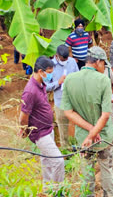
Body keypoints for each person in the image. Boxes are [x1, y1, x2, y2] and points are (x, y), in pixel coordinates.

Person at [61, 46, 113, 197]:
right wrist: (94, 133)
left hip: (83, 139)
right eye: (103, 64)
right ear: (97, 62)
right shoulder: (103, 80)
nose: (104, 67)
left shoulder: (70, 79)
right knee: (107, 171)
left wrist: (89, 131)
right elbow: (105, 115)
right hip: (102, 138)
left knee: (87, 174)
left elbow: (68, 112)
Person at [19, 56, 65, 187]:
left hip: (47, 129)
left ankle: (47, 188)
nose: (50, 76)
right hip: (39, 133)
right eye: (49, 73)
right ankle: (57, 191)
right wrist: (25, 130)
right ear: (40, 71)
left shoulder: (41, 84)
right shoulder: (30, 91)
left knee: (46, 160)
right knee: (58, 161)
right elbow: (23, 116)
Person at [45, 45, 79, 148]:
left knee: (78, 125)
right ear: (57, 56)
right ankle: (66, 151)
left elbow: (78, 76)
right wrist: (58, 83)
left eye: (66, 59)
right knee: (63, 129)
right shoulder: (50, 66)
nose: (65, 61)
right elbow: (46, 87)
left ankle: (78, 147)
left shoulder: (72, 62)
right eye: (63, 59)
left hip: (74, 100)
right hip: (60, 103)